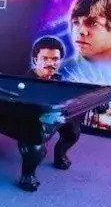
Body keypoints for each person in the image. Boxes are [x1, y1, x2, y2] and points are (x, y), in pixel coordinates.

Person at [27, 36, 80, 170]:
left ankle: (60, 156)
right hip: (33, 119)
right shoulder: (27, 81)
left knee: (73, 131)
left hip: (54, 116)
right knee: (38, 147)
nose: (50, 63)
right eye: (45, 58)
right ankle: (28, 175)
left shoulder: (57, 79)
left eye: (55, 59)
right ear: (35, 60)